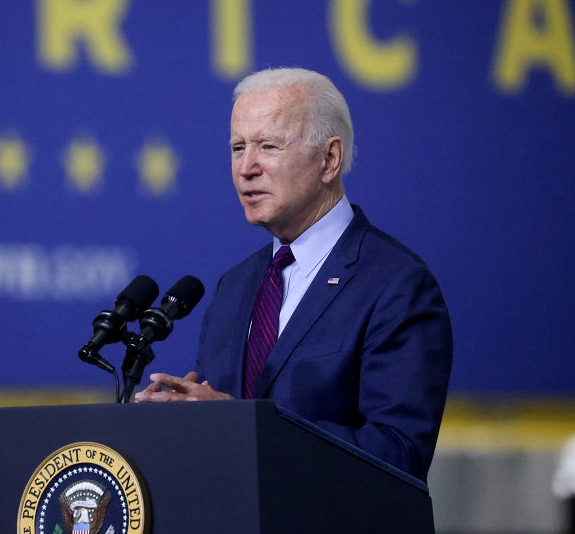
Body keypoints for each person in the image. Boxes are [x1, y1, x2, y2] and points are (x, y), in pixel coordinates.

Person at [135, 67, 453, 481]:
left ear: (329, 159)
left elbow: (398, 454)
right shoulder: (234, 288)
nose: (246, 167)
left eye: (268, 146)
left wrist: (239, 425)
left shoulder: (397, 285)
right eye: (237, 148)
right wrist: (182, 421)